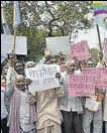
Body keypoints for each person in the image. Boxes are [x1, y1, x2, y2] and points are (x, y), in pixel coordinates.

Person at [60, 60, 83, 133]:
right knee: (67, 129)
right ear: (66, 67)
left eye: (74, 65)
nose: (73, 67)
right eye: (71, 66)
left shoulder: (78, 75)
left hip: (77, 107)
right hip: (66, 107)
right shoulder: (62, 76)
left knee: (78, 128)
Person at [82, 59, 104, 133]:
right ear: (86, 66)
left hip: (97, 101)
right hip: (88, 102)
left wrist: (99, 88)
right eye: (89, 64)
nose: (90, 66)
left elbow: (103, 90)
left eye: (92, 64)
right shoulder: (82, 77)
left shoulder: (99, 76)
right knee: (86, 123)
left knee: (98, 123)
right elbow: (79, 92)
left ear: (94, 65)